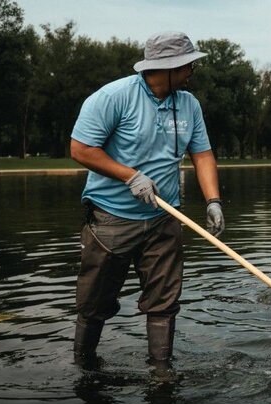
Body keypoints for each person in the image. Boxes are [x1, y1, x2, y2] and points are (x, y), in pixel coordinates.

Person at [70, 31, 224, 365]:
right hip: (111, 219)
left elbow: (202, 154)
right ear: (167, 67)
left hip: (163, 220)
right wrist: (130, 175)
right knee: (94, 303)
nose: (192, 71)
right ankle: (83, 365)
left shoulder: (189, 104)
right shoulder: (113, 97)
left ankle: (161, 372)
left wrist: (213, 200)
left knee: (164, 301)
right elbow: (81, 149)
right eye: (186, 65)